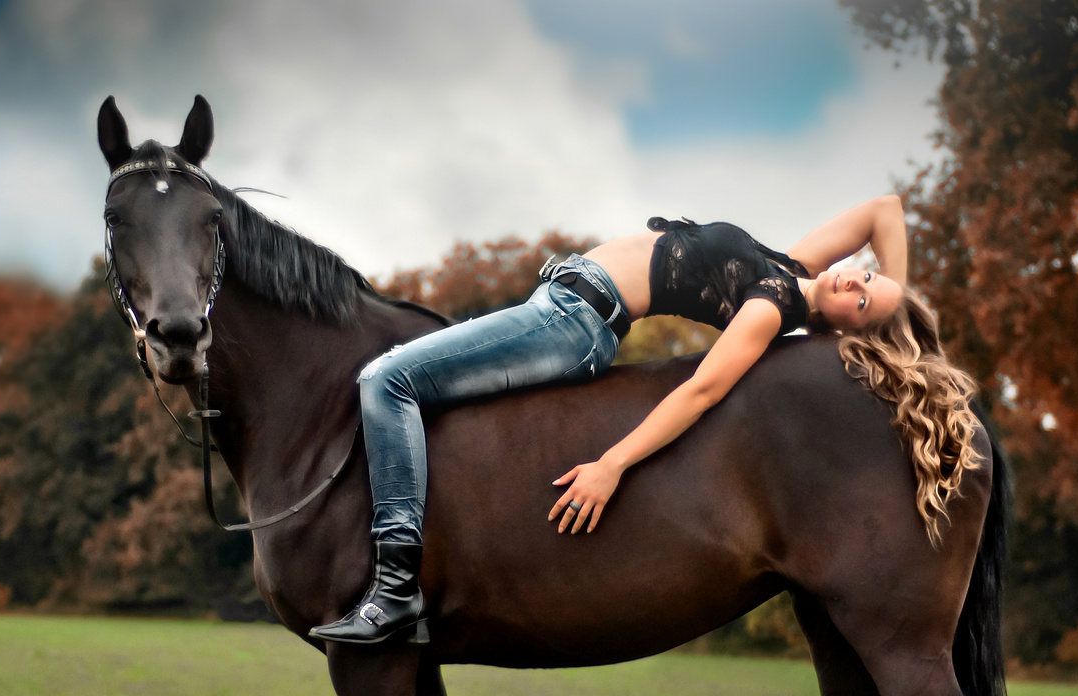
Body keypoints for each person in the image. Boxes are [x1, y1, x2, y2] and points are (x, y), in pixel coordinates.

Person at [311, 195, 943, 645]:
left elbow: (701, 390)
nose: (857, 284)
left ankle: (394, 587)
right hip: (558, 302)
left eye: (863, 303)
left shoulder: (770, 308)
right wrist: (897, 299)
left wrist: (612, 464)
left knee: (386, 380)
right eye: (866, 278)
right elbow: (885, 208)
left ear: (844, 325)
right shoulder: (793, 268)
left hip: (571, 324)